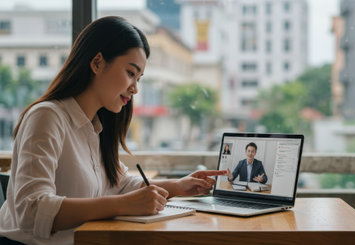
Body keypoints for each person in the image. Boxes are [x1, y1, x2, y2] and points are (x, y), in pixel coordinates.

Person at [0, 16, 226, 245]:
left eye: (139, 78)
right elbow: (32, 211)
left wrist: (178, 186)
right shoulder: (47, 116)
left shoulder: (96, 126)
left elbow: (122, 184)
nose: (135, 88)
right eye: (130, 73)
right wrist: (124, 204)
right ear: (97, 63)